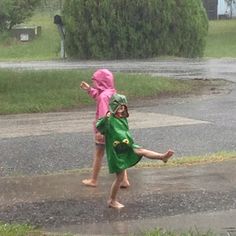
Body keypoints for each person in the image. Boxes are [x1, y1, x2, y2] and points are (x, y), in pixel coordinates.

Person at [96, 93, 174, 209]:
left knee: (141, 150)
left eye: (123, 107)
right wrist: (106, 120)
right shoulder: (110, 119)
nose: (121, 110)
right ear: (114, 107)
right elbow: (99, 126)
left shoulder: (122, 119)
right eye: (119, 107)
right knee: (119, 177)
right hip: (116, 152)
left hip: (127, 146)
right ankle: (112, 200)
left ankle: (162, 157)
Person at [80, 69, 130, 188]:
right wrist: (89, 90)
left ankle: (93, 180)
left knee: (99, 154)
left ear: (101, 82)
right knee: (118, 153)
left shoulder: (103, 97)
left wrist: (100, 132)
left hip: (105, 131)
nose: (94, 84)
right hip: (115, 130)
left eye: (96, 82)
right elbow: (99, 96)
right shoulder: (112, 93)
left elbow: (103, 115)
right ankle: (124, 180)